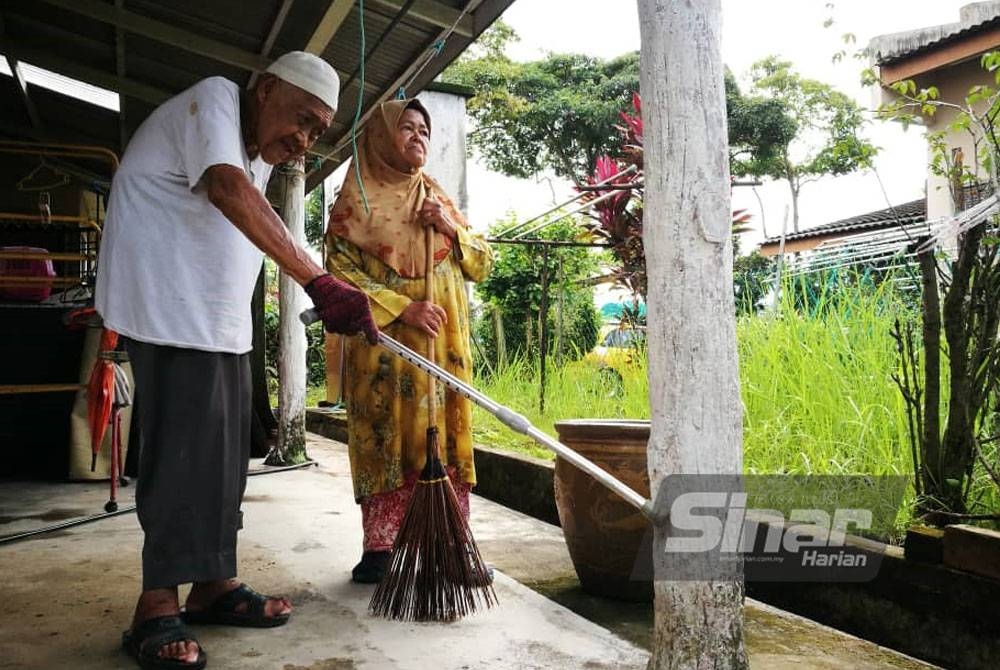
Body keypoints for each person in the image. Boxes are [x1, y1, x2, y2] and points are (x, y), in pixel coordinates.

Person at [95, 51, 378, 670]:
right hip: (169, 311)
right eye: (300, 119)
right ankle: (156, 606)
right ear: (265, 88)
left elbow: (265, 217)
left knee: (224, 460)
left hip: (215, 320)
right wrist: (319, 283)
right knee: (181, 455)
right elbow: (226, 190)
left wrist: (323, 279)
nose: (302, 139)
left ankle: (213, 585)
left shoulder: (255, 149)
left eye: (316, 131)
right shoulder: (215, 101)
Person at [325, 99, 494, 583]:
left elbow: (482, 264)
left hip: (444, 350)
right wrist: (403, 308)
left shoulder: (436, 196)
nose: (418, 135)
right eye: (406, 128)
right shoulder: (354, 203)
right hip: (385, 353)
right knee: (386, 434)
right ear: (380, 137)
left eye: (424, 128)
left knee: (445, 435)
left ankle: (453, 544)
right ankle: (382, 548)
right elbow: (337, 274)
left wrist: (449, 228)